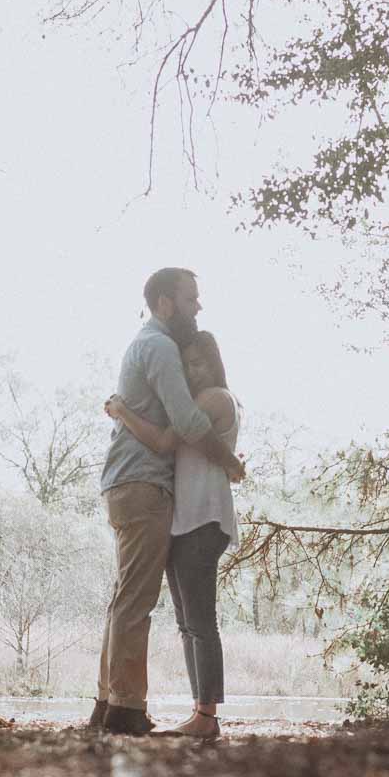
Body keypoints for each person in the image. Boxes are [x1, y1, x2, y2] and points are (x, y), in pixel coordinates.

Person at [92, 268, 244, 736]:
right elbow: (179, 426)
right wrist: (230, 462)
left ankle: (114, 706)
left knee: (136, 601)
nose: (197, 306)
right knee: (138, 602)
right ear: (164, 302)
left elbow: (176, 430)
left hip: (162, 498)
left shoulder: (171, 361)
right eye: (190, 298)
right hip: (145, 487)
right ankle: (125, 710)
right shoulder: (158, 346)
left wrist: (122, 411)